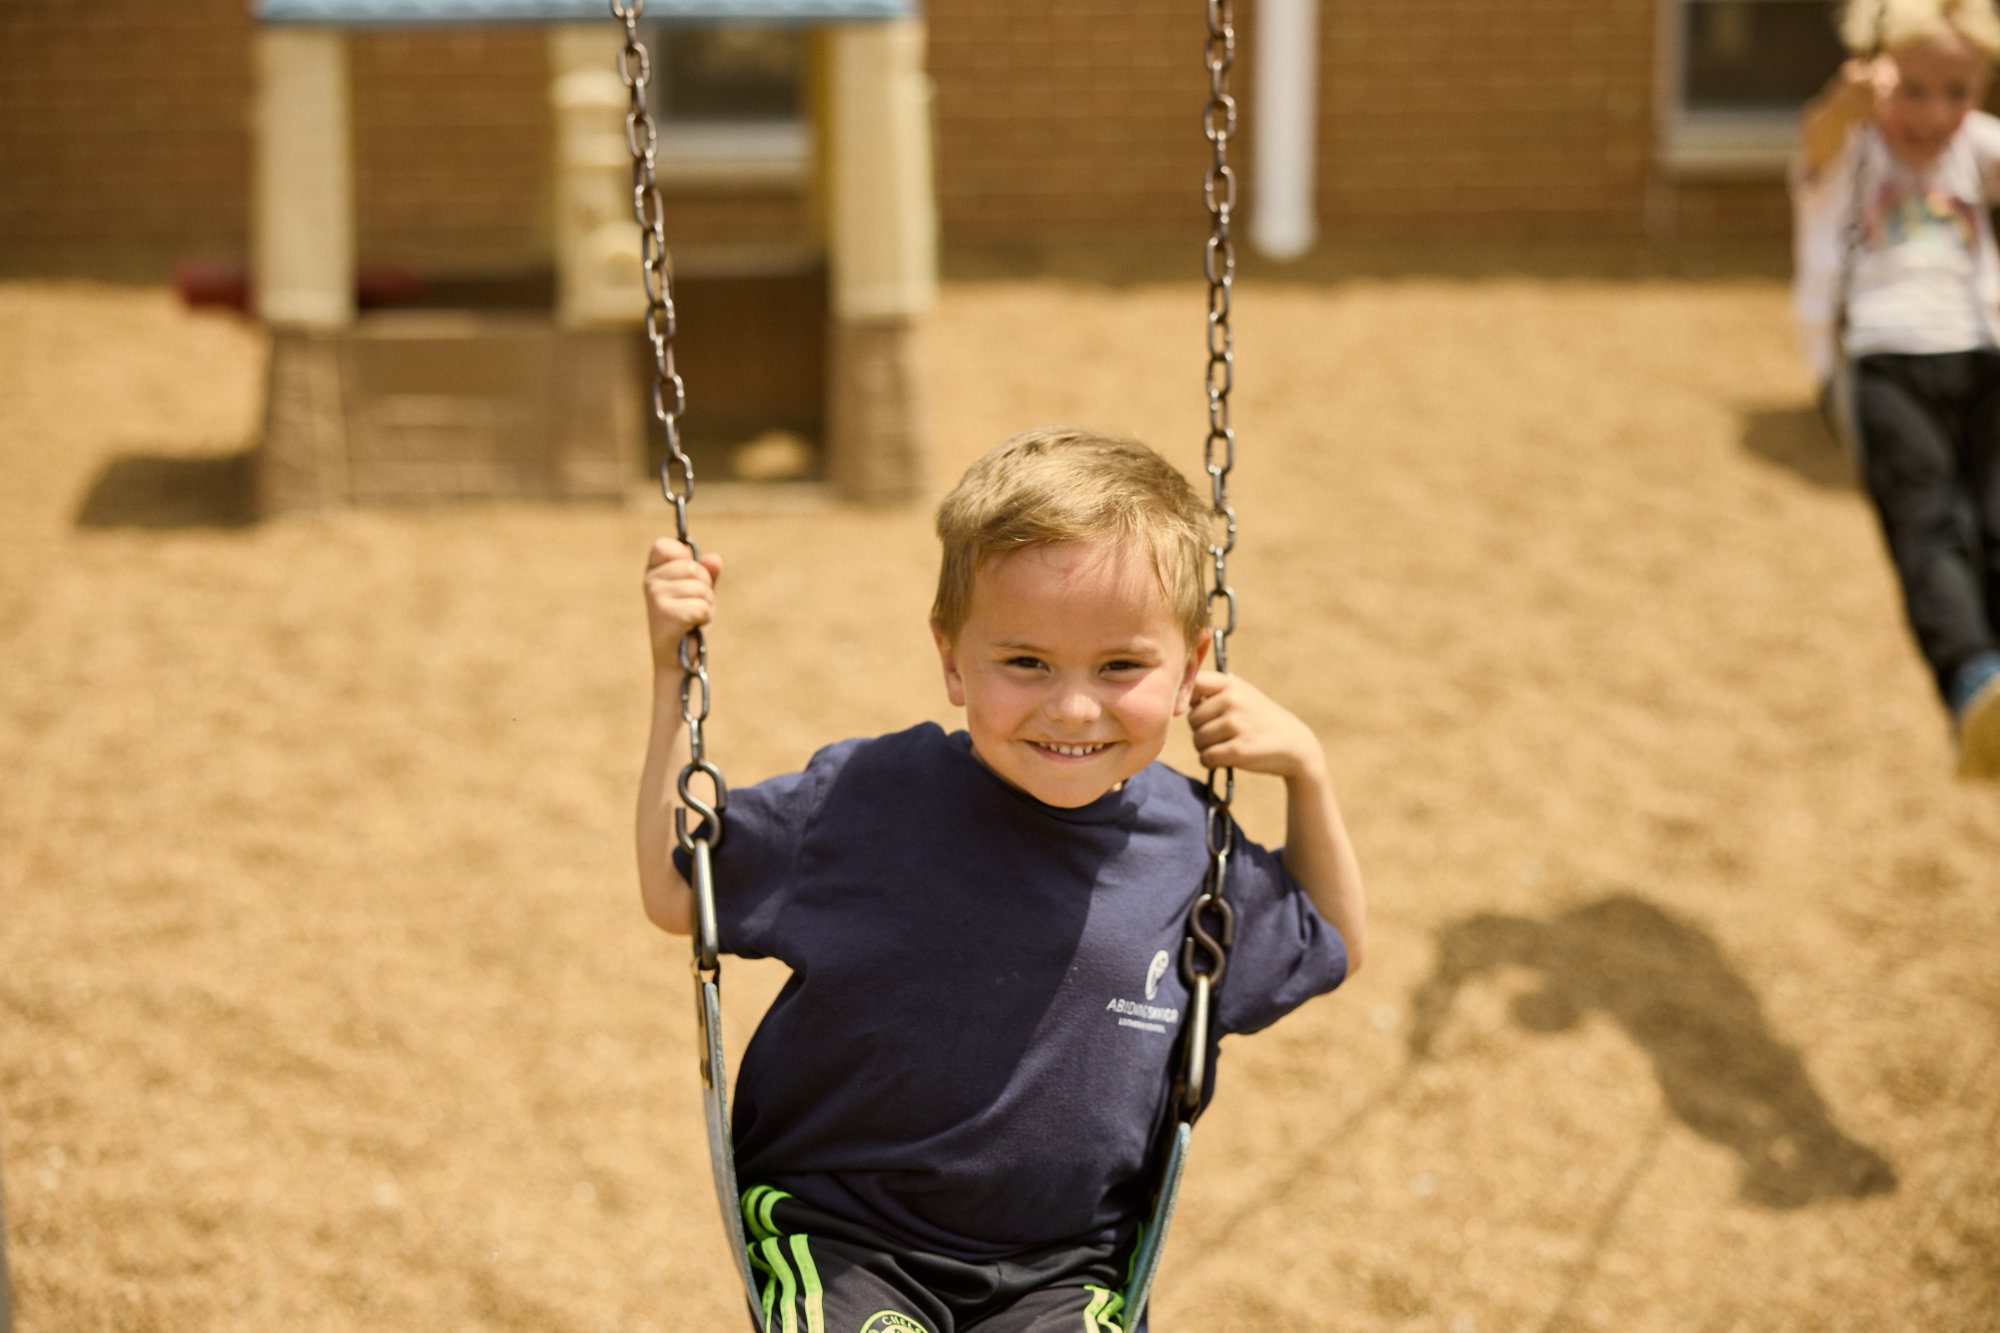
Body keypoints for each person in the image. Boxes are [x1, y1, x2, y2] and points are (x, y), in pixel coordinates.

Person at [636, 427, 1366, 1332]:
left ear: (1193, 665)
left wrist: (1308, 772)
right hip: (845, 1234)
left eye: (1121, 665)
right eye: (1025, 662)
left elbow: (1330, 939)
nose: (1071, 706)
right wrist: (675, 673)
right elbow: (682, 893)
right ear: (952, 658)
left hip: (1069, 1265)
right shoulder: (869, 800)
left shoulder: (1191, 848)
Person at [1793, 0, 2000, 778]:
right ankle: (1972, 678)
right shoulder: (1847, 149)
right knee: (1928, 518)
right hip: (1879, 361)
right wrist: (1850, 99)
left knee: (1996, 521)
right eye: (1913, 89)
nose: (1934, 112)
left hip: (1982, 354)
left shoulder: (1977, 151)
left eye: (1958, 92)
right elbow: (1817, 130)